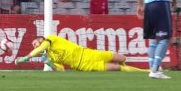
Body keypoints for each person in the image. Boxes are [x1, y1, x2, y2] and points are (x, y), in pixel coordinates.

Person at [15, 35, 149, 72]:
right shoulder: (49, 56)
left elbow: (39, 49)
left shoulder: (51, 39)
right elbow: (61, 70)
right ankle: (145, 72)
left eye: (34, 43)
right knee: (116, 68)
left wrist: (25, 58)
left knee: (121, 58)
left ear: (40, 39)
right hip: (83, 65)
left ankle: (137, 70)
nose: (35, 46)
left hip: (88, 53)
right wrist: (49, 63)